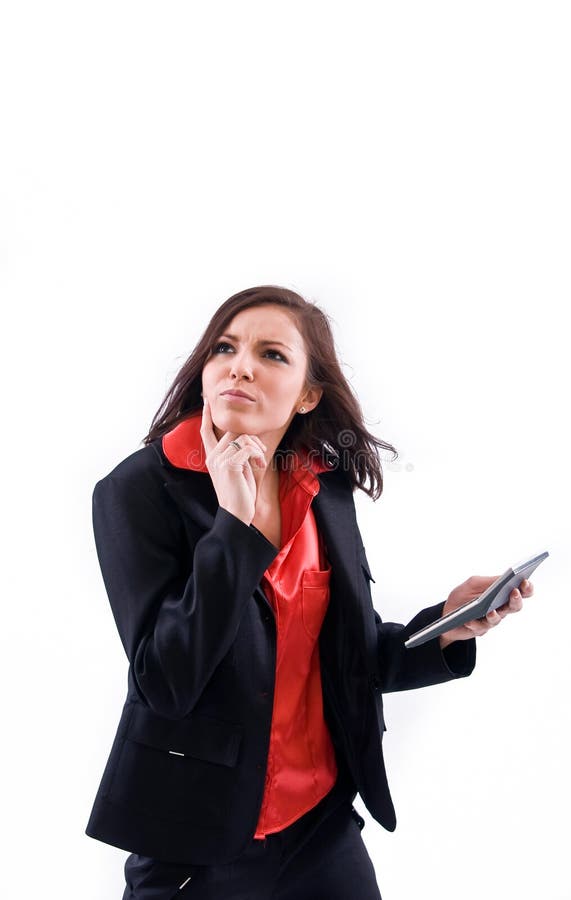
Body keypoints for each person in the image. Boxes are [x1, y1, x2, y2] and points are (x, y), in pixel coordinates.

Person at [85, 285, 534, 899]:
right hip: (195, 842)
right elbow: (166, 681)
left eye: (272, 354)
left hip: (318, 830)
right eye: (225, 347)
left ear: (308, 395)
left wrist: (449, 624)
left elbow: (350, 659)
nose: (240, 365)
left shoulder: (321, 488)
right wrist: (232, 530)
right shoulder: (136, 491)